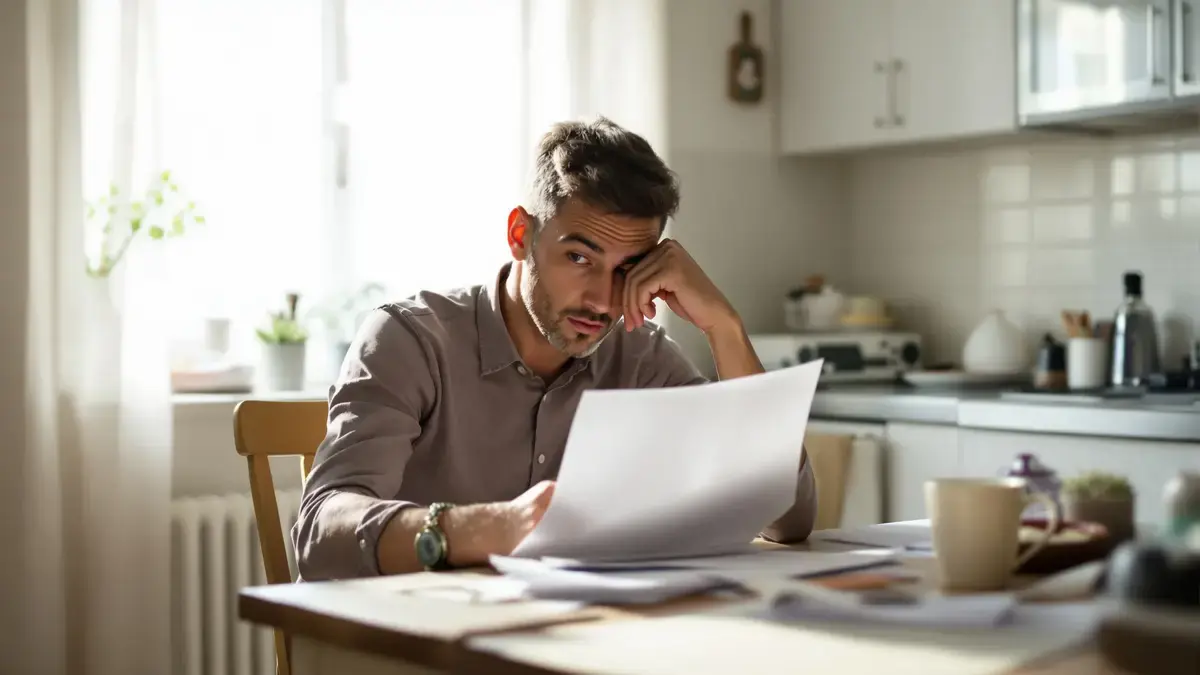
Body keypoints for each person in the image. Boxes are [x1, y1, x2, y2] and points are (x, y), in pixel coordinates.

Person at [293, 117, 817, 581]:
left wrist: (723, 327)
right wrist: (489, 527)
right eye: (579, 258)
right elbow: (320, 534)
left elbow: (786, 519)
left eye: (627, 270)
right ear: (520, 234)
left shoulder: (639, 356)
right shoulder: (408, 341)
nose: (602, 299)